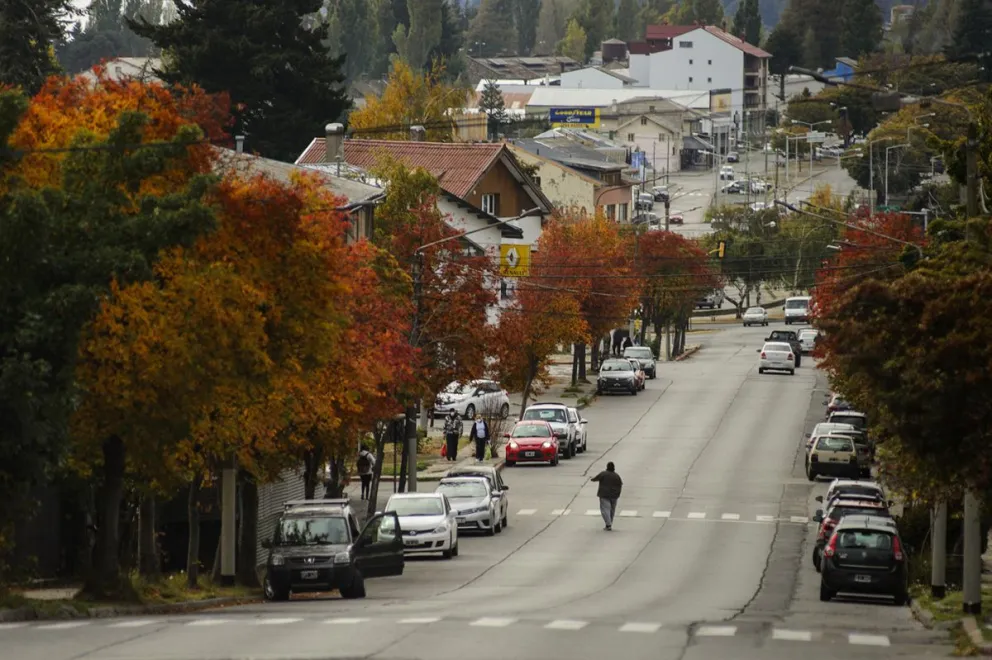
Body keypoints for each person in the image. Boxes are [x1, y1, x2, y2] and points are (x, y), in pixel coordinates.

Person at [590, 462, 623, 530]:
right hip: (614, 496)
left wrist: (591, 479)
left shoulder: (603, 474)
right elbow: (620, 484)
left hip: (604, 495)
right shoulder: (617, 476)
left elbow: (596, 478)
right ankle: (609, 523)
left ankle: (608, 524)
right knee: (612, 510)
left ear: (607, 467)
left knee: (605, 510)